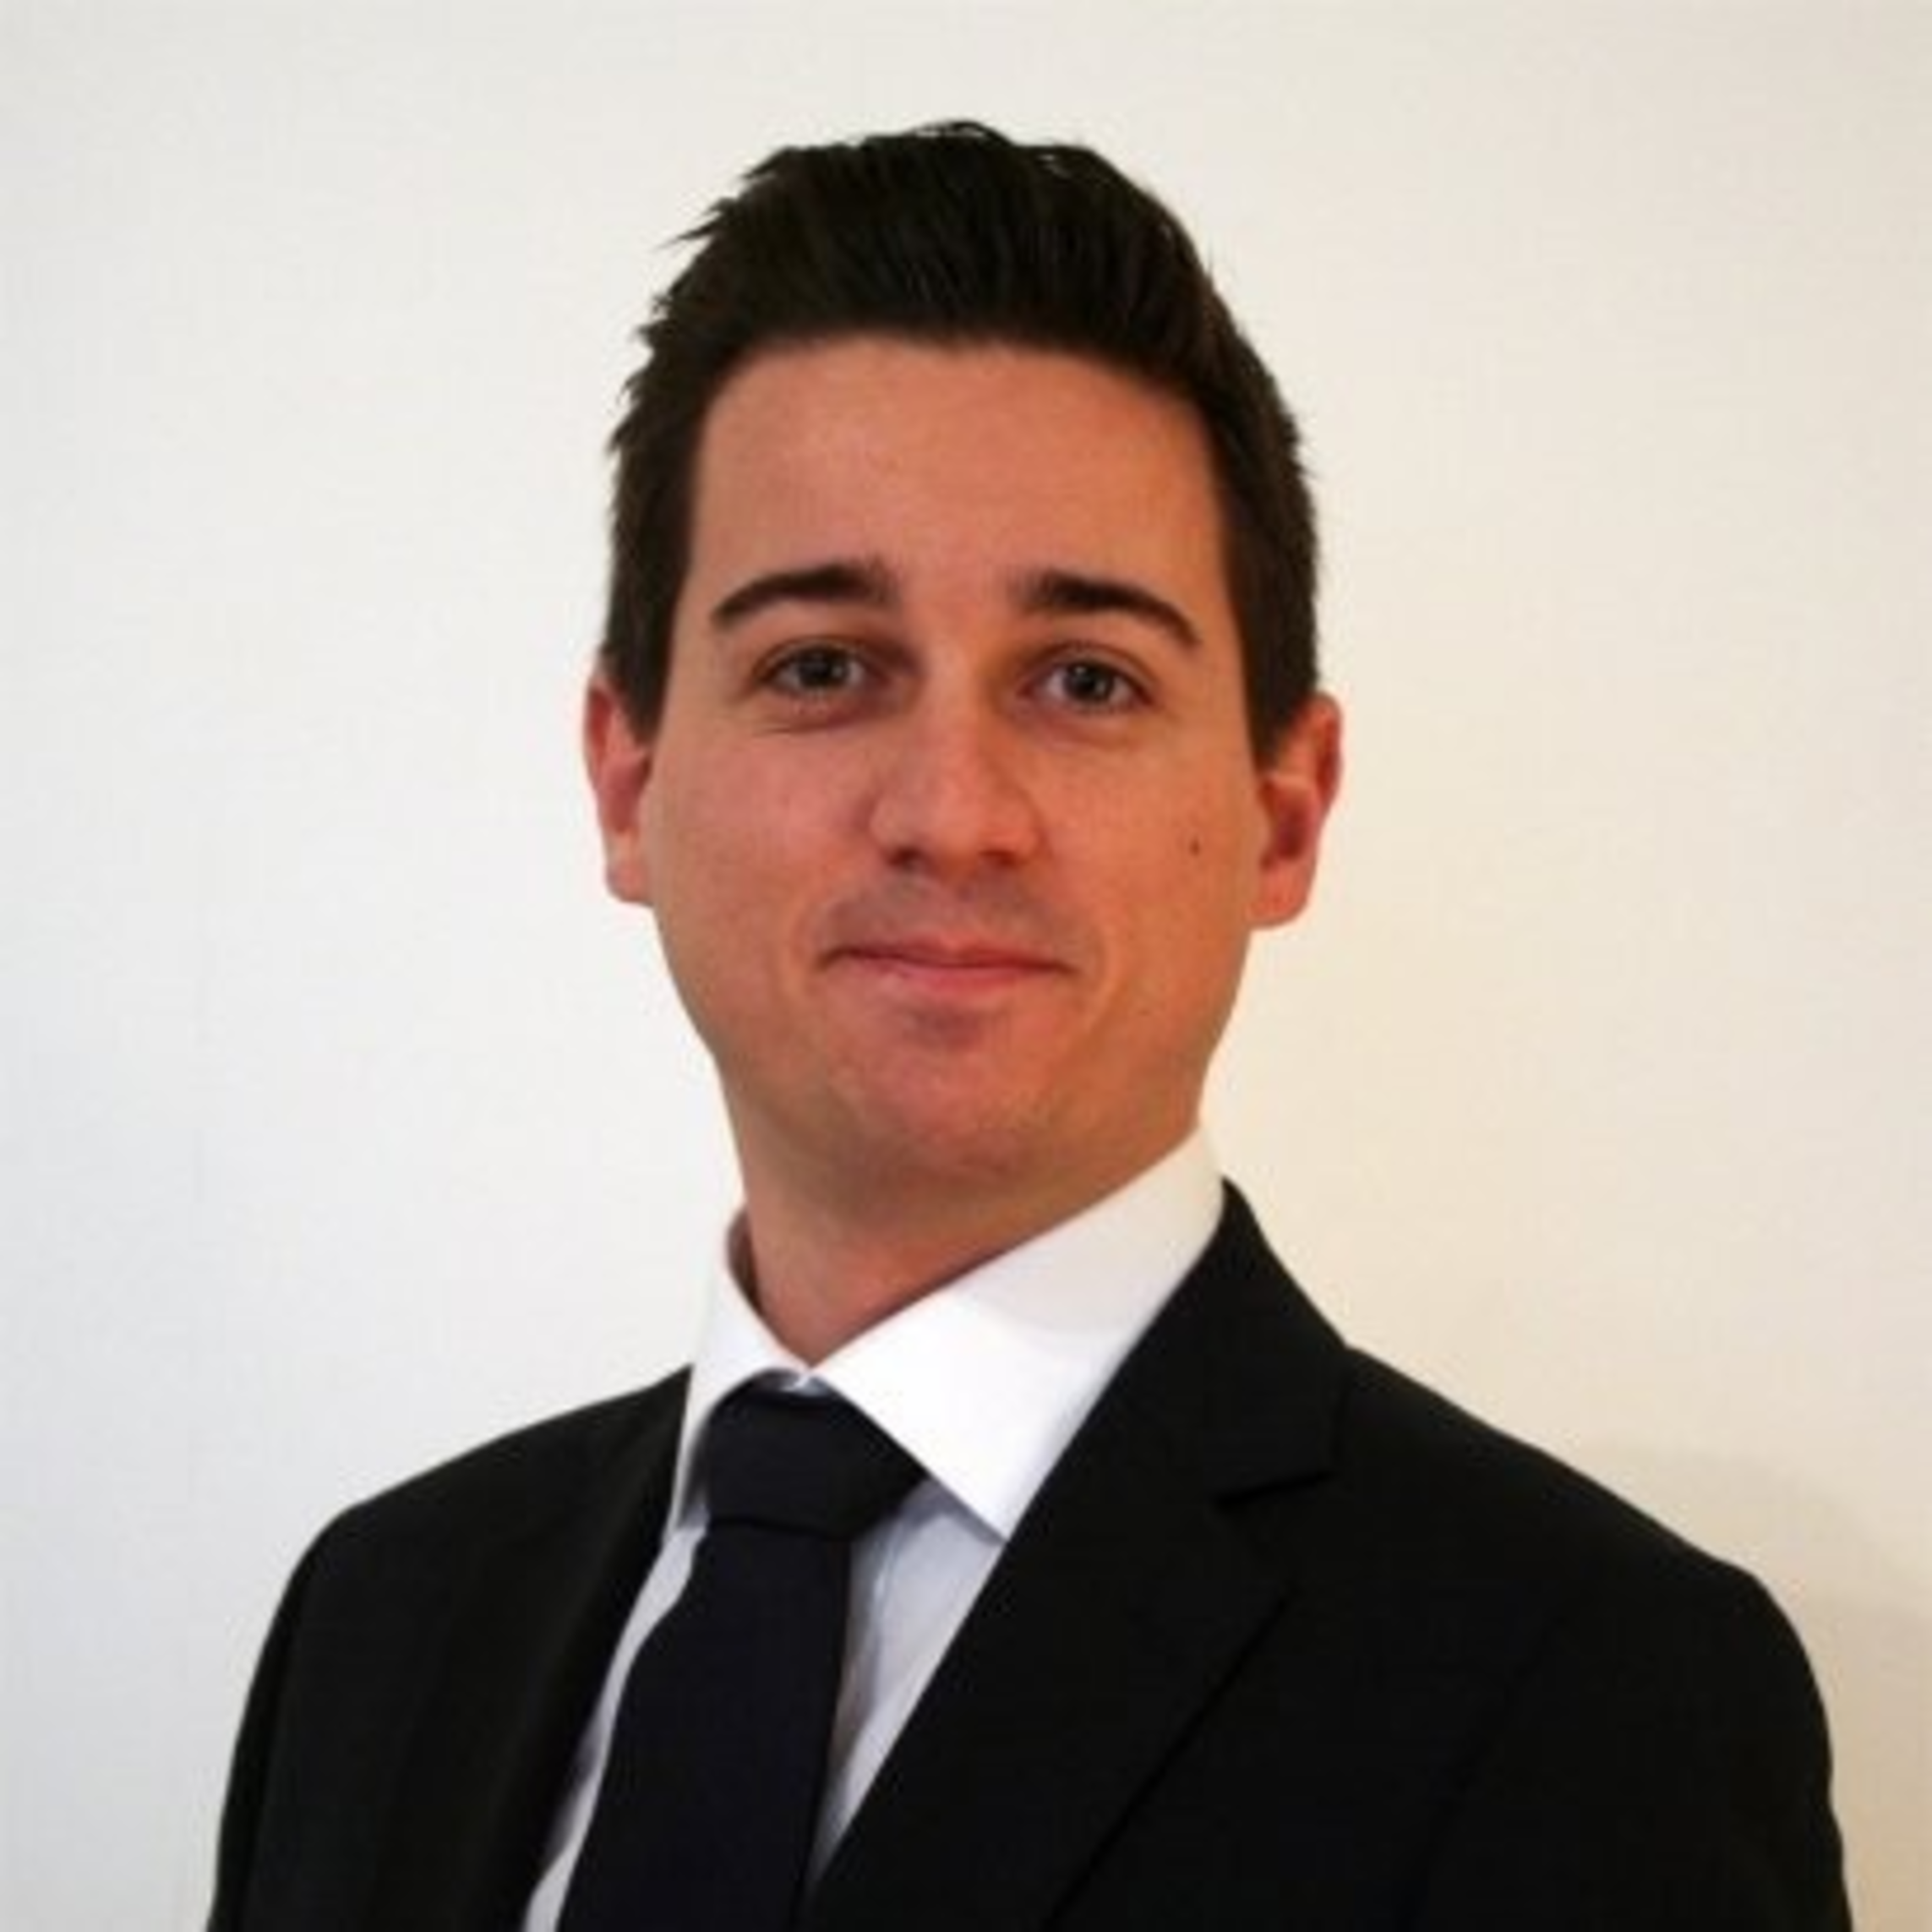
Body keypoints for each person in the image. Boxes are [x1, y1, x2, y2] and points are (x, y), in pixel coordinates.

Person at [208, 123, 1850, 1930]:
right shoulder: (384, 1618)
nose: (954, 812)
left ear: (1284, 815)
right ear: (628, 779)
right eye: (821, 665)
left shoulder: (1600, 1694)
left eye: (1085, 680)